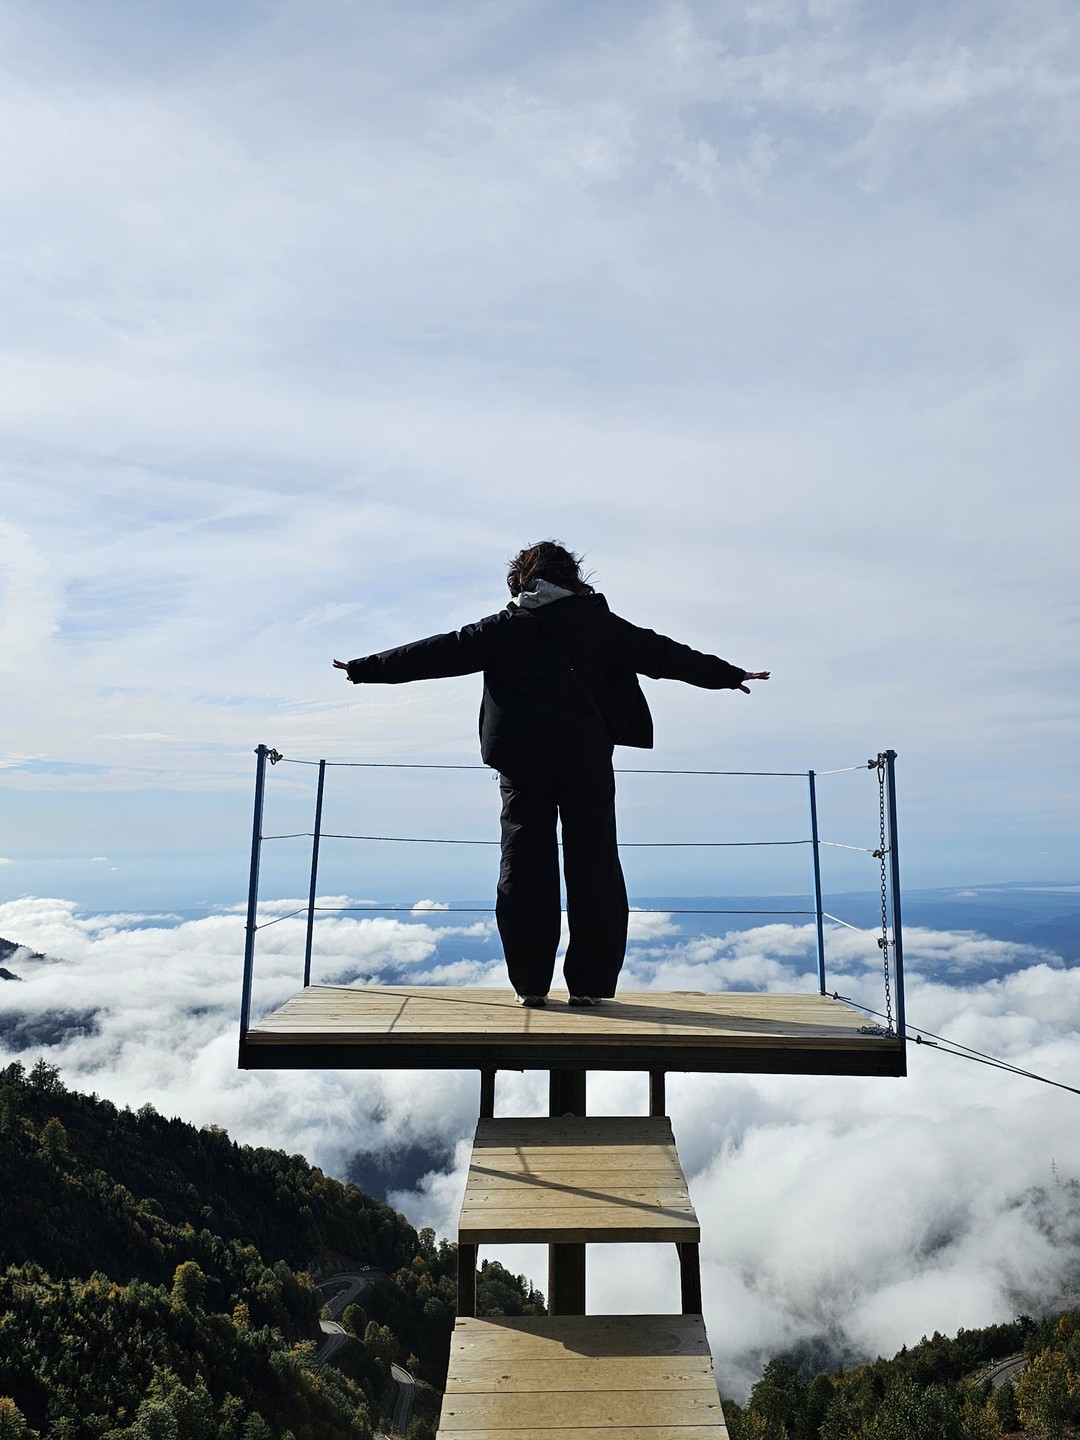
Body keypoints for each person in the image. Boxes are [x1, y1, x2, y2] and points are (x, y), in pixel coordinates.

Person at [333, 541, 768, 1008]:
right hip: (587, 762)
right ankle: (589, 986)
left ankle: (531, 986)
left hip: (522, 768)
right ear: (573, 576)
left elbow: (436, 654)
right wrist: (727, 674)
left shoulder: (501, 630)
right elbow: (661, 654)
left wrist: (365, 669)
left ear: (520, 579)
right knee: (595, 867)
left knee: (523, 869)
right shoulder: (598, 625)